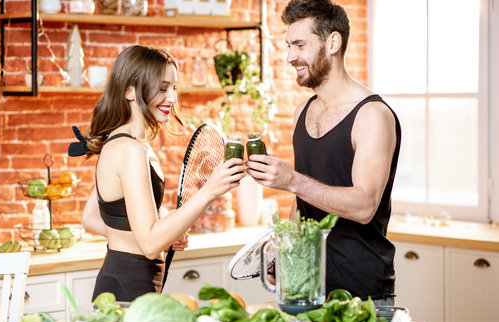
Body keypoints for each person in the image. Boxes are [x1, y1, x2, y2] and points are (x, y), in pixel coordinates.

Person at [246, 0, 401, 306]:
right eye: (289, 45)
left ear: (333, 42)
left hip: (361, 293)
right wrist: (285, 249)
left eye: (300, 45)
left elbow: (364, 206)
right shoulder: (302, 111)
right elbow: (304, 198)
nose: (290, 56)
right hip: (306, 284)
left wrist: (292, 180)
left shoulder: (372, 115)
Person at [68, 45, 245, 302]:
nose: (172, 98)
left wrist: (165, 234)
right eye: (162, 88)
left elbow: (90, 217)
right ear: (129, 91)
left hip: (122, 283)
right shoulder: (131, 150)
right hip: (128, 290)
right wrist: (210, 190)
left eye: (174, 87)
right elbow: (150, 244)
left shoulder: (123, 143)